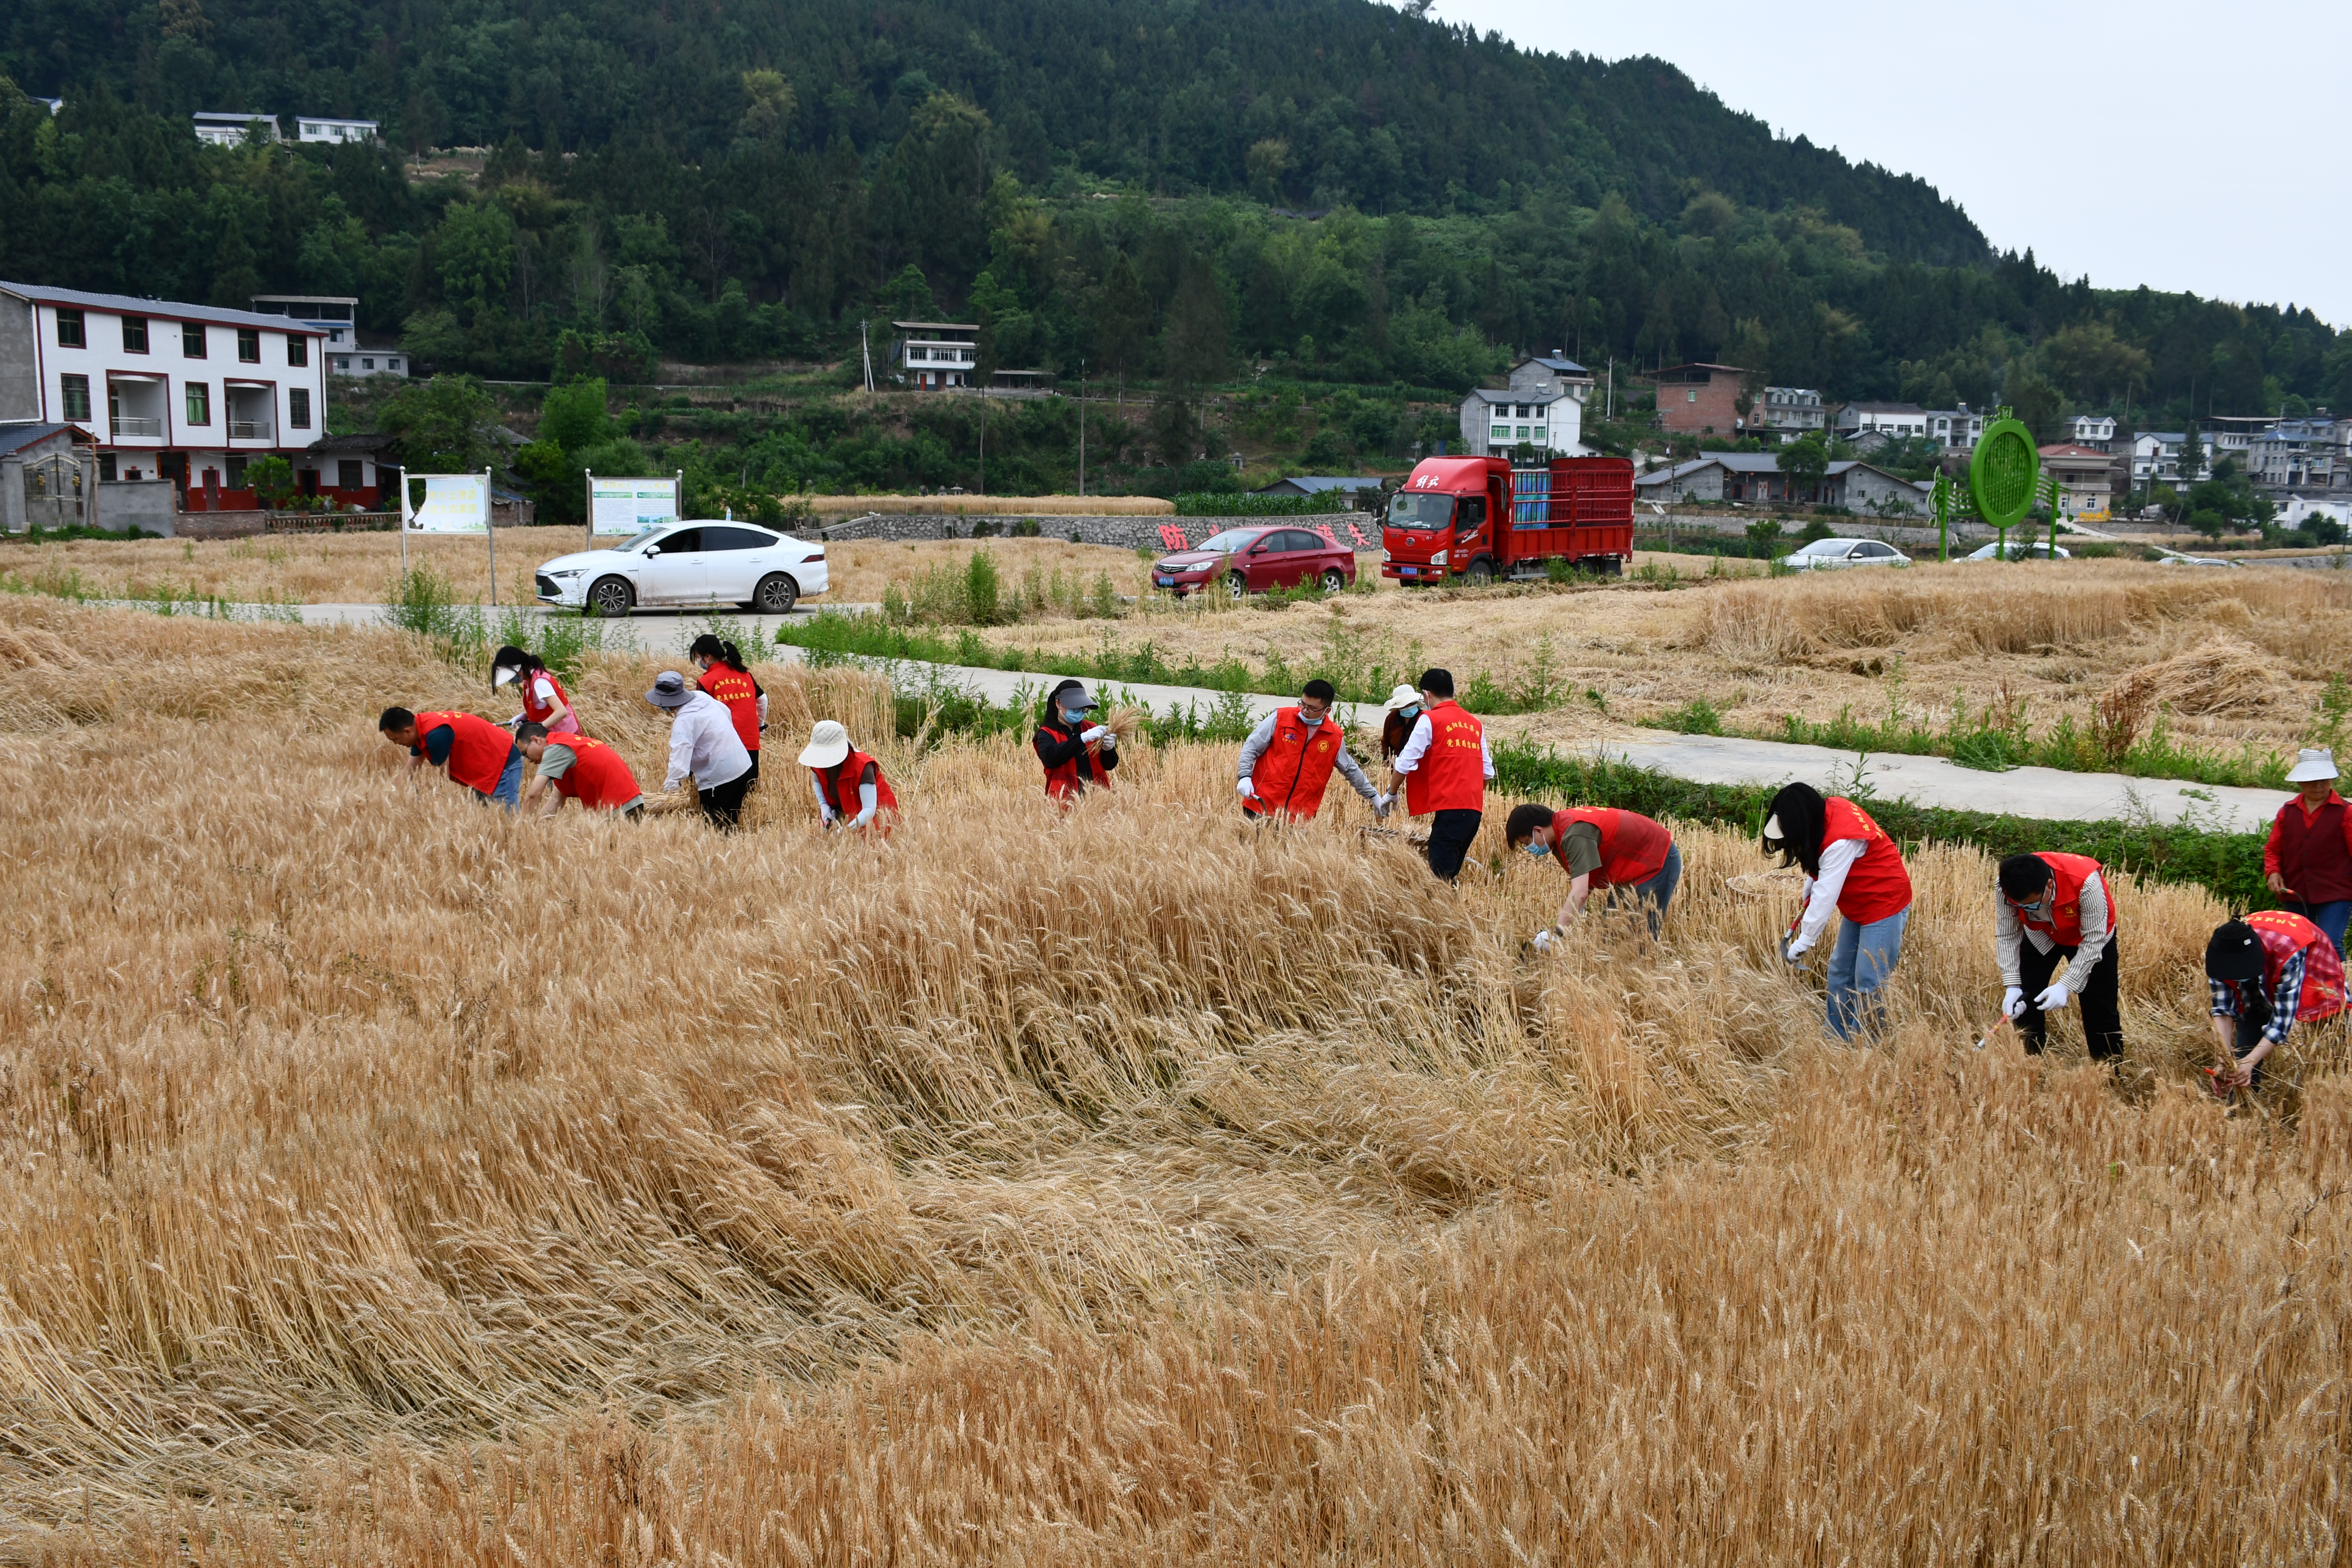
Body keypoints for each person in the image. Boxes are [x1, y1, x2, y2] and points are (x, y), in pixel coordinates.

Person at [1762, 781, 1914, 1041]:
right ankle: (1837, 1037)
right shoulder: (1828, 809)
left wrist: (1806, 939)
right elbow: (1823, 868)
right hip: (1858, 903)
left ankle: (1867, 1047)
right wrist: (1812, 878)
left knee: (1869, 981)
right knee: (1840, 972)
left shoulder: (1841, 840)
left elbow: (1827, 896)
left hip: (1884, 903)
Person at [1995, 852, 2123, 1062]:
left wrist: (2066, 985)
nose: (2028, 910)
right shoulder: (2005, 886)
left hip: (2090, 936)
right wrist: (2012, 984)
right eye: (2021, 907)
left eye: (2033, 905)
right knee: (2026, 1000)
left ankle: (2110, 1071)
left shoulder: (2086, 882)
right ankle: (2030, 1063)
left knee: (2100, 1007)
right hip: (2040, 933)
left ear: (2049, 885)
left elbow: (2094, 939)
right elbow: (2008, 934)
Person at [2205, 911, 2347, 1091]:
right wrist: (2224, 1060)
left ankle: (2343, 1086)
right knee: (2252, 1018)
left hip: (2311, 960)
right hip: (2262, 955)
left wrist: (2249, 1062)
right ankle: (2242, 1108)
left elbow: (2282, 1022)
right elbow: (2222, 1008)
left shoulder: (2288, 951)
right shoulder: (2222, 954)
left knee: (2334, 1027)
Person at [1505, 803, 1680, 943]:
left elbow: (1580, 892)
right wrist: (1557, 927)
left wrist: (1556, 934)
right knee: (1612, 932)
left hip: (1655, 859)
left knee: (1640, 938)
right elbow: (1586, 885)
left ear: (1538, 830)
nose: (1529, 849)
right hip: (1630, 867)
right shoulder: (1560, 834)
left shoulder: (1573, 834)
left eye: (1527, 843)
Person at [1388, 668, 1492, 881]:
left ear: (1426, 694)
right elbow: (1487, 773)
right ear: (1453, 692)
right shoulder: (1475, 724)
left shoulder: (1430, 719)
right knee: (1450, 872)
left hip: (1449, 810)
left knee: (1438, 878)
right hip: (1473, 812)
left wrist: (1391, 792)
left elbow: (1406, 761)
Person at [1236, 678, 1384, 822]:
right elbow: (1251, 747)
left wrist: (1372, 795)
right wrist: (1245, 776)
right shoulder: (1281, 718)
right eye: (1303, 704)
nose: (1305, 711)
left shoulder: (1334, 737)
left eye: (1312, 708)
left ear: (1327, 711)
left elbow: (1350, 769)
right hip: (1261, 805)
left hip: (1299, 816)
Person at [2265, 748, 2352, 959]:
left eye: (2324, 779)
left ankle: (2338, 991)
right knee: (2296, 944)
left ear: (2332, 780)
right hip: (2296, 888)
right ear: (2300, 783)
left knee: (2330, 943)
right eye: (2311, 780)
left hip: (2336, 890)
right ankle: (2305, 991)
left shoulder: (2346, 812)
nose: (2318, 785)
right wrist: (2273, 872)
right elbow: (2273, 848)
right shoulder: (2288, 811)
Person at [645, 670, 754, 828]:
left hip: (720, 777)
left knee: (715, 826)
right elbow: (726, 711)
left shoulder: (684, 721)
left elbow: (679, 755)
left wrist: (671, 789)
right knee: (731, 820)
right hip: (742, 765)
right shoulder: (700, 697)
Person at [378, 705, 524, 810]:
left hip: (503, 764)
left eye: (395, 740)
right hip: (484, 769)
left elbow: (442, 782)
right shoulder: (420, 731)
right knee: (480, 820)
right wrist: (386, 794)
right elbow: (410, 770)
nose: (397, 744)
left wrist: (431, 806)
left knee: (507, 825)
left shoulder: (435, 735)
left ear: (407, 731)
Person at [516, 721, 645, 819]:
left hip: (618, 807)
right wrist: (537, 828)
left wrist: (523, 827)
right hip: (631, 800)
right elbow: (556, 800)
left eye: (525, 753)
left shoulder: (555, 749)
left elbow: (534, 794)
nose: (529, 760)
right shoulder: (565, 742)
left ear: (536, 740)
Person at [690, 634, 766, 784]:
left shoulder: (706, 681)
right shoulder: (745, 674)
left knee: (727, 790)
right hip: (749, 739)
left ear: (707, 657)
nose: (699, 662)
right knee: (749, 790)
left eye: (699, 658)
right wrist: (760, 725)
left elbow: (701, 716)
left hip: (724, 744)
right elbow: (763, 700)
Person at [800, 719, 898, 833]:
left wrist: (846, 831)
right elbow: (817, 781)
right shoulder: (817, 762)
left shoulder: (862, 766)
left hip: (877, 820)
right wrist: (824, 805)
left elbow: (869, 810)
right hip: (845, 814)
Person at [1035, 678, 1117, 800]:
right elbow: (1051, 759)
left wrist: (1108, 749)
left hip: (1097, 799)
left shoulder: (1091, 728)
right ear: (1058, 704)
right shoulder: (1047, 733)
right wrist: (1082, 739)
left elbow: (1109, 765)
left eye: (1083, 709)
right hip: (1064, 800)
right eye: (1075, 709)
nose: (1080, 713)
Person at [491, 645, 580, 737]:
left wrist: (536, 729)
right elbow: (544, 708)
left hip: (565, 734)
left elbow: (561, 711)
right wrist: (524, 717)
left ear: (519, 667)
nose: (511, 679)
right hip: (554, 733)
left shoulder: (540, 682)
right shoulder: (529, 681)